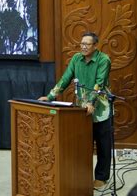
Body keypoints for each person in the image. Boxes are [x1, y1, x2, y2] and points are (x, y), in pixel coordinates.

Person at [38, 32, 112, 188]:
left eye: (87, 44)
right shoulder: (76, 59)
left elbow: (99, 83)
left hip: (100, 109)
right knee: (82, 145)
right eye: (82, 44)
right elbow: (65, 79)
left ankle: (101, 177)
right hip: (81, 110)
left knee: (103, 145)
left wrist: (91, 102)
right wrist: (51, 96)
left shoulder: (103, 60)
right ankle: (82, 176)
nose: (84, 47)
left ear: (95, 46)